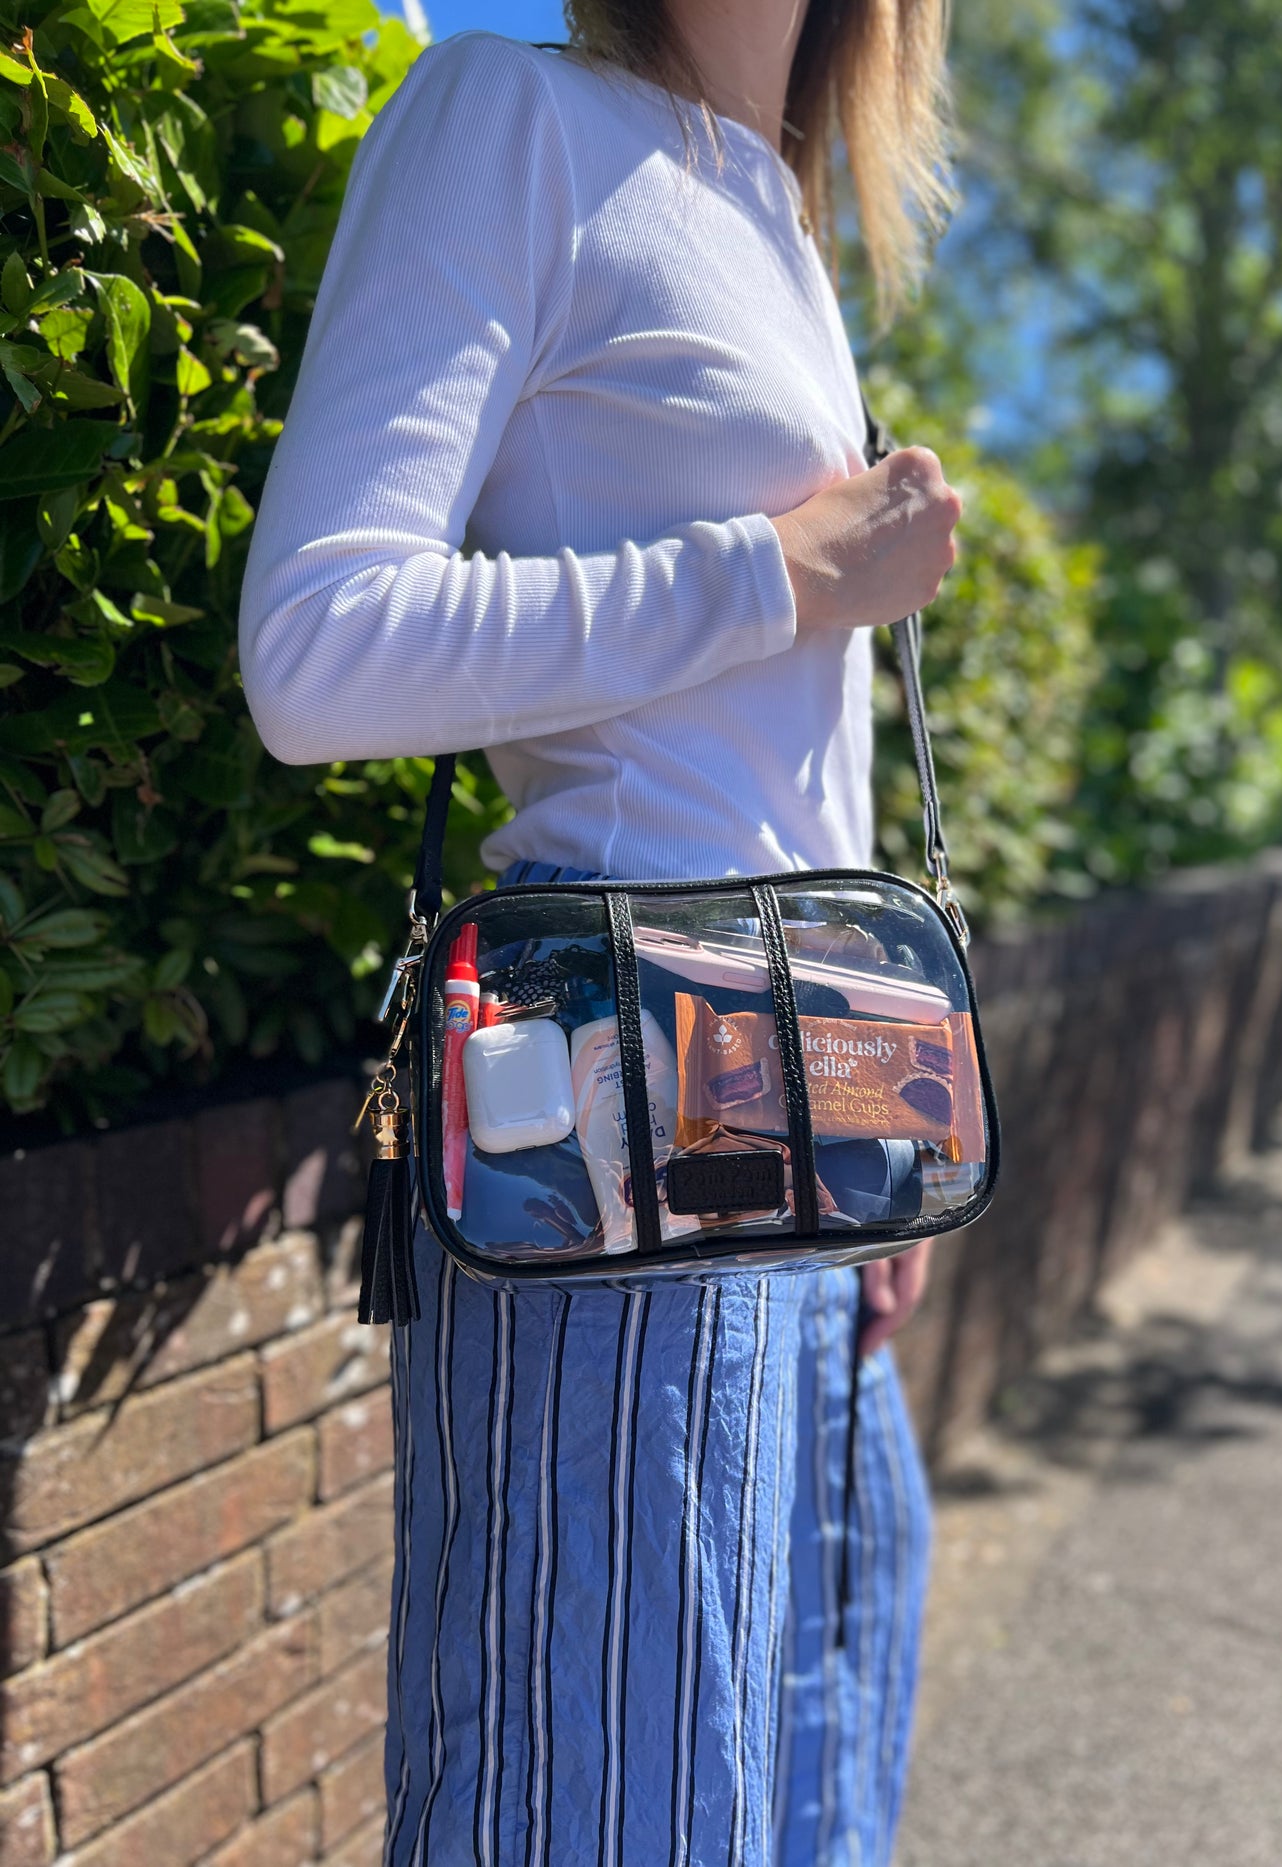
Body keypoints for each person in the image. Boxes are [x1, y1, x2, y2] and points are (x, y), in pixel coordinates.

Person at [239, 2, 963, 1859]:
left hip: (797, 1127)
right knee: (612, 1798)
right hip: (627, 1123)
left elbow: (779, 789)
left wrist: (876, 1131)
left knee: (796, 1769)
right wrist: (782, 571)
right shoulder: (515, 119)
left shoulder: (779, 216)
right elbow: (316, 646)